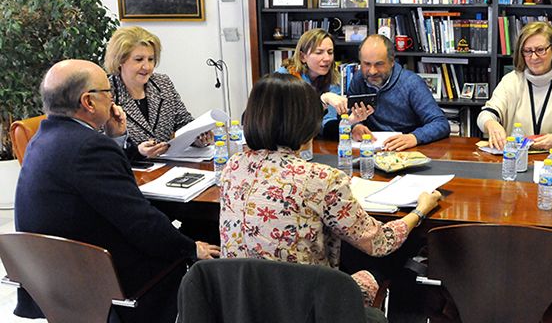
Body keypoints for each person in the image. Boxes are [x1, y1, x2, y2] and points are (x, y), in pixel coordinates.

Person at [14, 59, 220, 323]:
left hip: (53, 275)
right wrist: (192, 248)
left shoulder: (41, 139)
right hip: (103, 277)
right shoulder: (89, 148)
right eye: (108, 92)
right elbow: (139, 221)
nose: (113, 99)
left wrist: (115, 139)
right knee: (203, 234)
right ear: (88, 102)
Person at [219, 73, 441, 306]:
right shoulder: (321, 179)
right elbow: (380, 242)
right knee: (385, 263)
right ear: (305, 122)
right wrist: (420, 210)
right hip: (305, 305)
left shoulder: (232, 167)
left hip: (242, 302)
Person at [104, 26, 211, 159]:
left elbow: (183, 121)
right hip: (129, 171)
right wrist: (137, 152)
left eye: (151, 59)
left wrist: (198, 137)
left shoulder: (162, 84)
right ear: (120, 60)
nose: (147, 67)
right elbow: (101, 146)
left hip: (168, 168)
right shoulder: (105, 93)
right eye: (139, 59)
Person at [478, 21, 552, 150]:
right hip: (514, 158)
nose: (533, 57)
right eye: (527, 51)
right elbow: (485, 115)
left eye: (540, 50)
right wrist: (491, 124)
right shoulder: (511, 80)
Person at [347, 34, 450, 151]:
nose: (372, 71)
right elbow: (348, 114)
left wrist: (414, 137)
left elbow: (440, 123)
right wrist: (355, 126)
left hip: (405, 151)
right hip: (370, 149)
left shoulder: (411, 83)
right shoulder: (359, 79)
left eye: (379, 64)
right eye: (366, 64)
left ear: (392, 62)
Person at [277, 28, 372, 138]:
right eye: (319, 52)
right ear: (303, 57)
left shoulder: (334, 80)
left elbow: (325, 127)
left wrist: (351, 121)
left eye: (330, 52)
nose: (327, 58)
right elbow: (294, 122)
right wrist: (323, 101)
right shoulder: (284, 78)